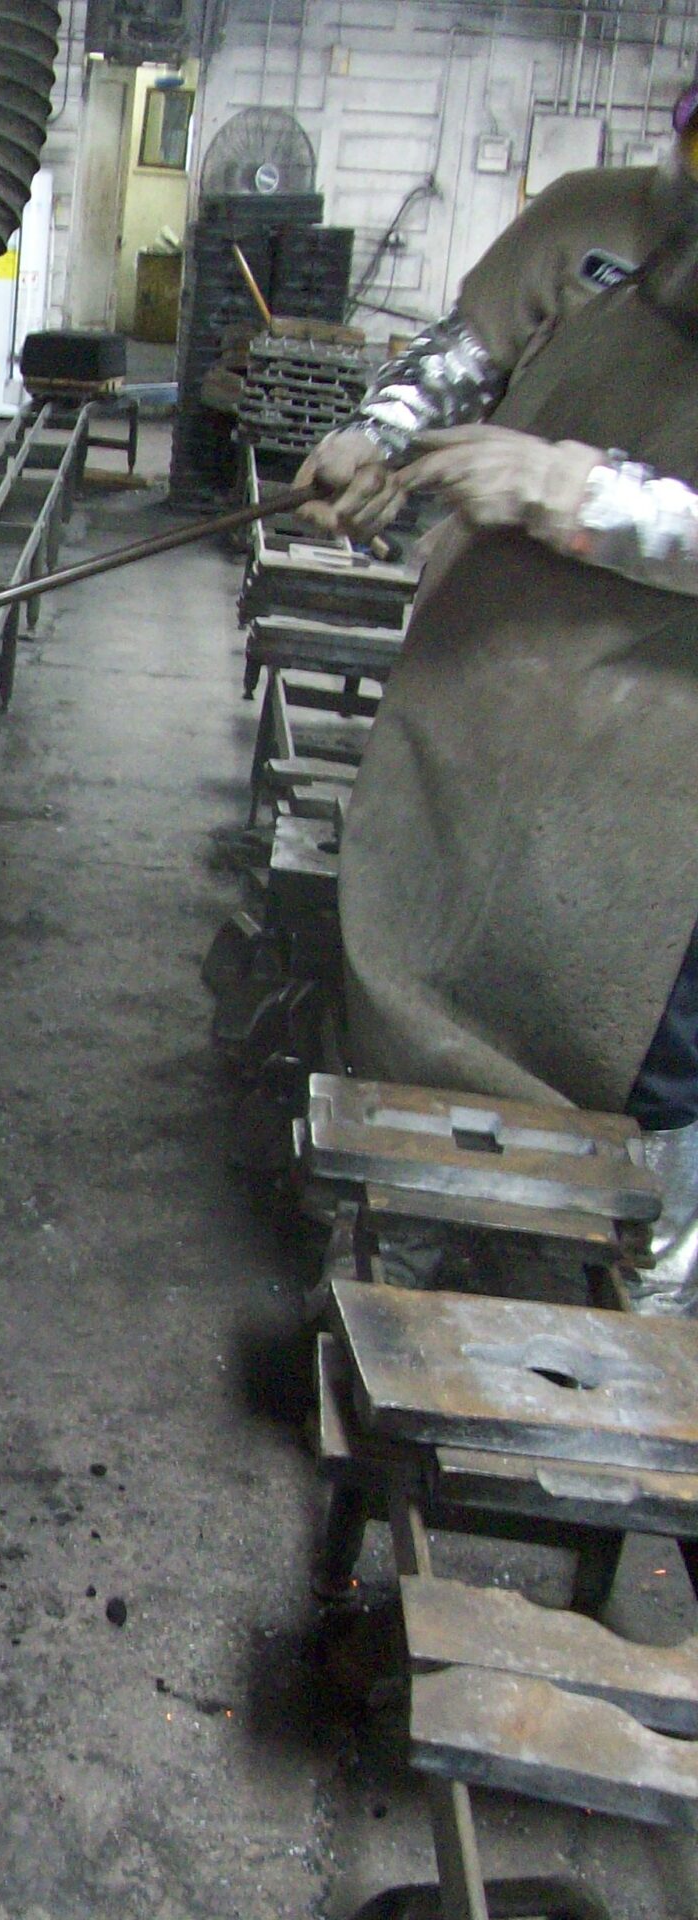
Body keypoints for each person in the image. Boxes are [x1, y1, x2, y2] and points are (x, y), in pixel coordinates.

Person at [299, 73, 698, 1308]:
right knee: (418, 959)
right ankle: (395, 1250)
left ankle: (655, 1309)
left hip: (665, 748)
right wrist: (381, 433)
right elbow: (462, 355)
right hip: (485, 686)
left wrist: (570, 494)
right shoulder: (596, 219)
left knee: (654, 1051)